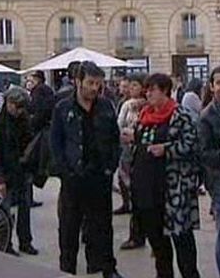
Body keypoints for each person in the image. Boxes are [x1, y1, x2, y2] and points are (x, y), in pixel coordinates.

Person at [122, 73, 201, 278]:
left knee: (182, 241)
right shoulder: (144, 114)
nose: (147, 93)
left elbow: (192, 144)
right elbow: (142, 143)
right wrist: (134, 139)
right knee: (158, 244)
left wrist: (167, 149)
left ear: (164, 90)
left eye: (152, 89)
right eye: (146, 89)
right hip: (147, 189)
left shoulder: (180, 114)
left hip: (173, 189)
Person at [51, 61, 124, 278]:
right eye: (90, 83)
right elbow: (56, 143)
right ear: (77, 81)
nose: (94, 88)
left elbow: (114, 138)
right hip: (73, 180)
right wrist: (65, 171)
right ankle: (67, 270)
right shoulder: (62, 108)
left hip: (99, 177)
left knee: (103, 227)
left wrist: (111, 165)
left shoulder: (105, 106)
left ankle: (107, 269)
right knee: (69, 230)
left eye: (98, 84)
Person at [0, 87, 38, 256]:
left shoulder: (23, 119)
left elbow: (28, 141)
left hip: (20, 171)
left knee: (25, 208)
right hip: (3, 172)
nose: (19, 110)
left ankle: (25, 241)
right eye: (17, 106)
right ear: (8, 103)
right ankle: (4, 246)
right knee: (3, 212)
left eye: (22, 107)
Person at [198, 66, 220, 278]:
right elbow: (204, 153)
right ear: (211, 86)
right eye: (219, 83)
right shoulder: (207, 116)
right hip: (219, 181)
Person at [117, 73, 147, 250]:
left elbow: (120, 124)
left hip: (138, 153)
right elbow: (119, 124)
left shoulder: (141, 106)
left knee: (139, 196)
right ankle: (136, 234)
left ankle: (138, 235)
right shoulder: (127, 104)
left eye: (135, 85)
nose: (130, 89)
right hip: (128, 151)